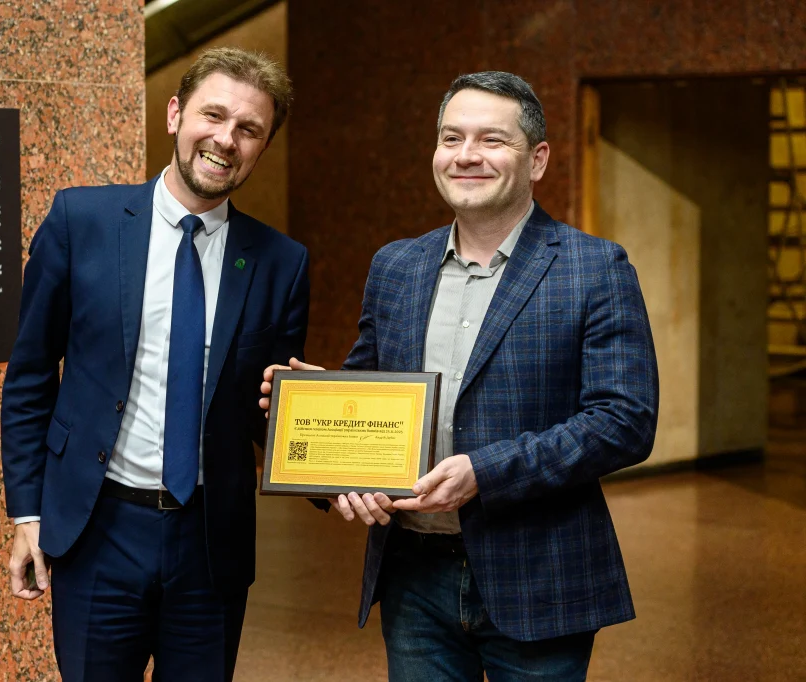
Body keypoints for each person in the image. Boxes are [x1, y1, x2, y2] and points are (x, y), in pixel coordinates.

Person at [261, 71, 658, 681]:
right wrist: (314, 413)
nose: (466, 155)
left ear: (537, 160)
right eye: (451, 138)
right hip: (414, 576)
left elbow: (624, 421)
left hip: (540, 574)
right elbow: (369, 397)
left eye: (491, 140)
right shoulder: (396, 266)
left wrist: (483, 473)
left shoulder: (594, 268)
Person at [1, 47, 308, 682]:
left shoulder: (281, 262)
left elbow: (265, 415)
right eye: (213, 115)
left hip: (210, 546)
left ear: (263, 146)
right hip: (97, 531)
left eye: (249, 129)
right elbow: (30, 376)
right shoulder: (80, 221)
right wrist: (27, 514)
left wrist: (306, 412)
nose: (226, 140)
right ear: (175, 115)